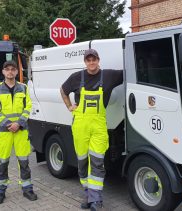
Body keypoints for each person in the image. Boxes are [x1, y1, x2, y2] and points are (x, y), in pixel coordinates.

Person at [60, 49, 123, 211]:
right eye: (88, 60)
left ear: (98, 60)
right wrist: (69, 106)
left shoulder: (110, 75)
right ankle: (88, 194)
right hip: (80, 126)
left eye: (93, 59)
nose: (91, 62)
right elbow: (63, 90)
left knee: (97, 161)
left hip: (99, 127)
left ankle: (96, 200)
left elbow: (130, 72)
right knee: (82, 162)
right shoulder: (76, 77)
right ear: (85, 62)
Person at [0, 60, 37, 204]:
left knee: (24, 161)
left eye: (13, 69)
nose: (10, 72)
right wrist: (9, 124)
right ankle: (0, 190)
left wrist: (19, 123)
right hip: (4, 132)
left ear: (17, 72)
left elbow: (28, 107)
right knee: (3, 161)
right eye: (7, 69)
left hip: (21, 131)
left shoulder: (23, 88)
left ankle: (27, 188)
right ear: (3, 72)